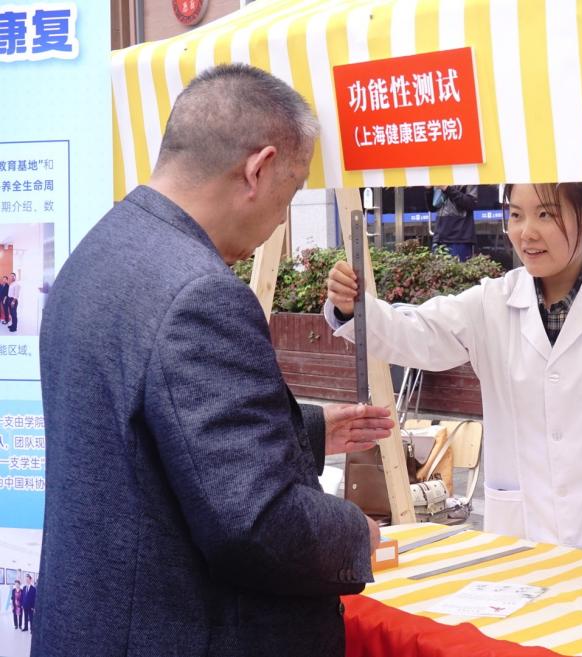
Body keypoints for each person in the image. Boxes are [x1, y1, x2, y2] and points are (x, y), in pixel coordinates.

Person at [35, 64, 394, 657]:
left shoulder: (98, 251)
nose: (283, 217)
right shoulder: (200, 293)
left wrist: (304, 430)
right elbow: (258, 523)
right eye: (291, 192)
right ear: (259, 169)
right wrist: (355, 532)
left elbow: (143, 435)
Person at [325, 182, 582, 564]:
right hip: (524, 539)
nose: (527, 232)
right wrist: (351, 308)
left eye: (546, 214)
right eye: (515, 215)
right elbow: (415, 334)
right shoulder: (491, 305)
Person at [430, 185, 477, 261]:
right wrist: (428, 190)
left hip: (459, 236)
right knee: (436, 267)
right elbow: (432, 207)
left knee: (459, 267)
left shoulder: (468, 178)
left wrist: (447, 188)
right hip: (439, 236)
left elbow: (471, 203)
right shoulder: (440, 178)